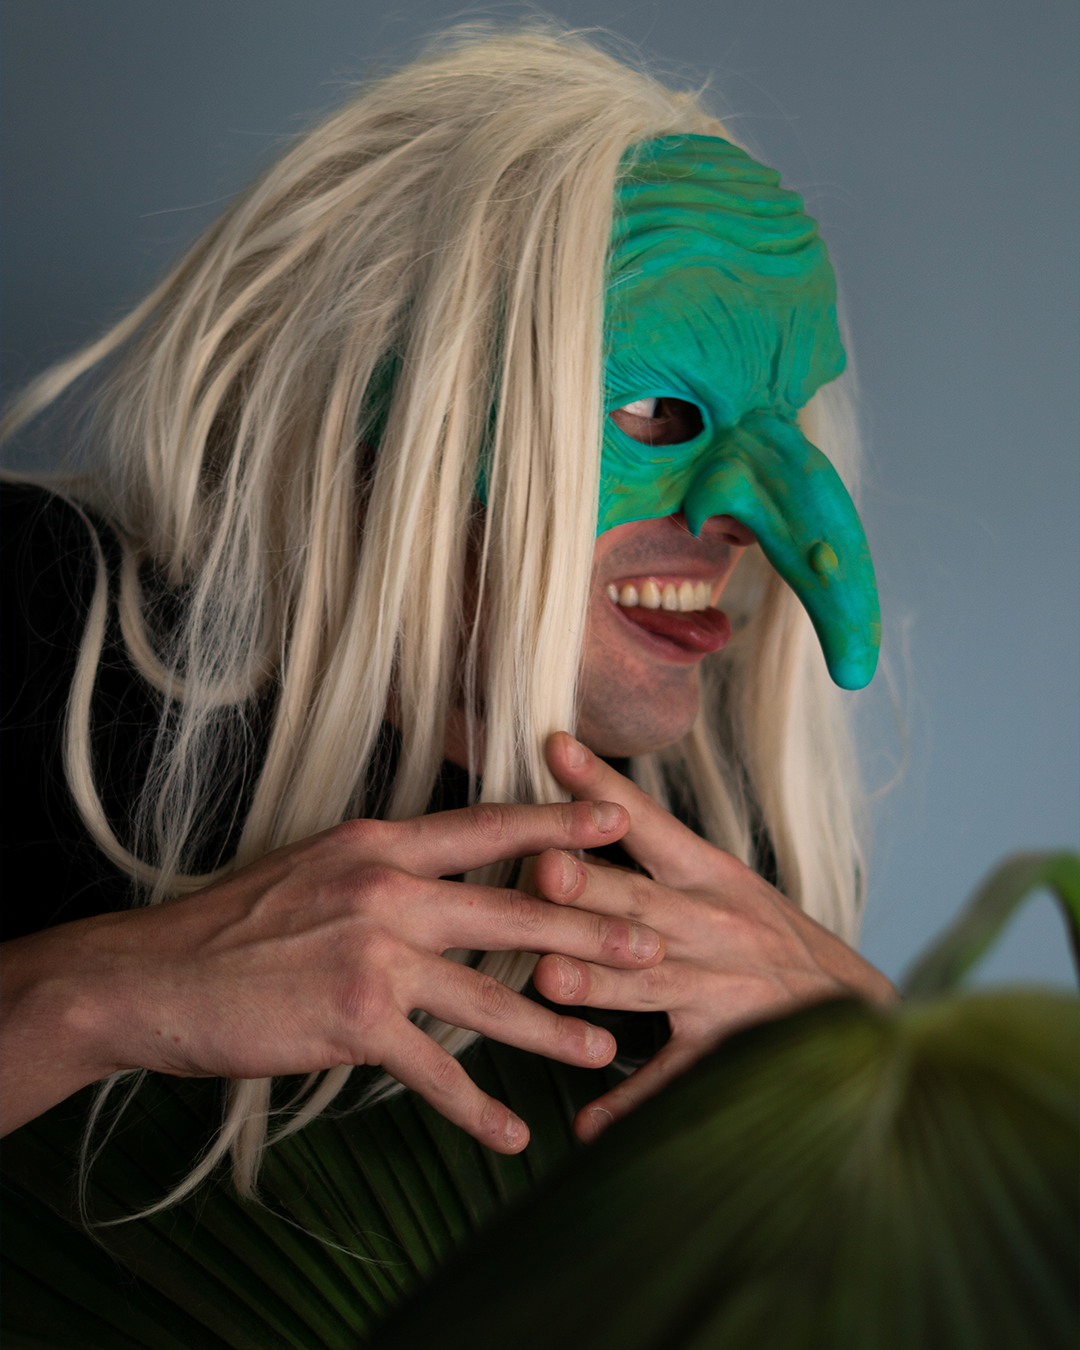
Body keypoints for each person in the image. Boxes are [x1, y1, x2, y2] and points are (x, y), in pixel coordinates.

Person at [0, 26, 893, 1219]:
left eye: (786, 420)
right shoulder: (37, 627)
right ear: (396, 396)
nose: (748, 521)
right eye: (655, 408)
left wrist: (895, 1085)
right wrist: (84, 1001)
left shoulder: (721, 846)